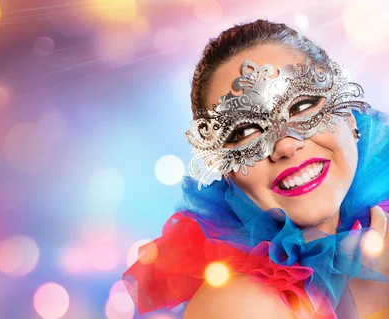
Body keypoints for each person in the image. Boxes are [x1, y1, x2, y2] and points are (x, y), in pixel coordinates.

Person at [122, 20, 389, 319]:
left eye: (302, 106)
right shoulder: (234, 306)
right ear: (226, 171)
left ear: (350, 118)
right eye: (246, 130)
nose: (285, 145)